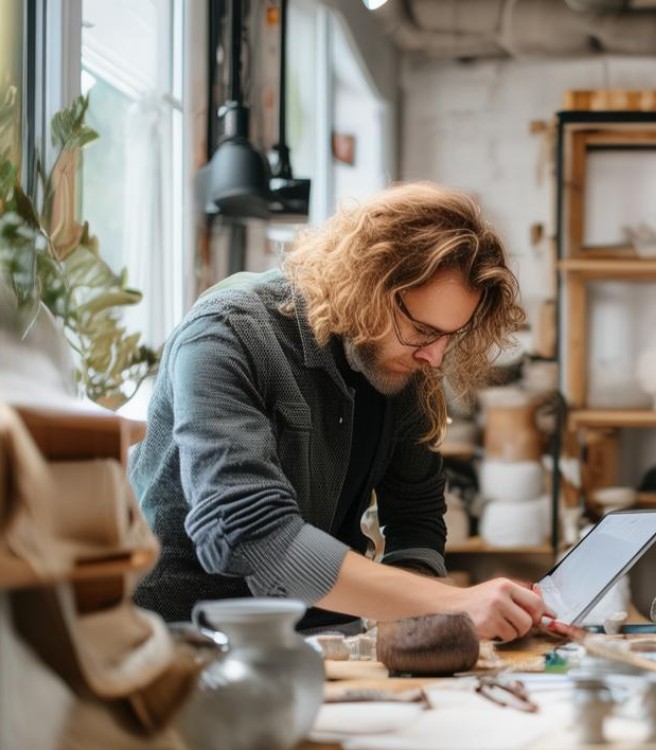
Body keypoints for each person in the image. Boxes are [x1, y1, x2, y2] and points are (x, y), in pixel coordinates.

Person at [130, 183, 549, 641]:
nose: (434, 357)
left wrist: (423, 627)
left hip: (328, 638)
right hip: (189, 641)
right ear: (368, 284)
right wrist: (454, 603)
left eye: (450, 337)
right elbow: (248, 535)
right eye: (423, 331)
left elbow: (415, 515)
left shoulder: (403, 360)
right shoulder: (226, 335)